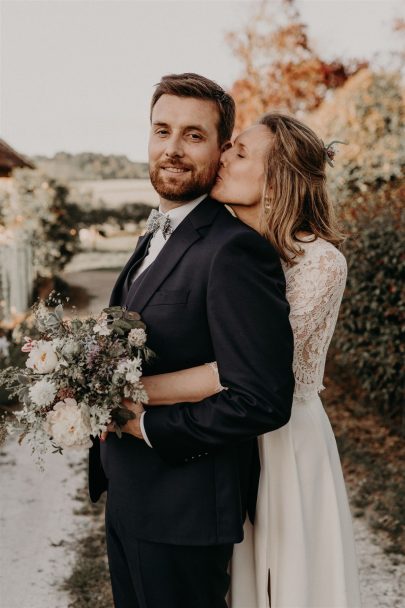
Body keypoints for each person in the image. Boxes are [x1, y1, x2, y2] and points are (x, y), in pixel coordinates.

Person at [119, 114, 362, 607]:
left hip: (285, 441)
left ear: (278, 177)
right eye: (227, 148)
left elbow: (238, 371)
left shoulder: (318, 262)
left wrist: (126, 397)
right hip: (230, 437)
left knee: (287, 582)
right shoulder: (235, 246)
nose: (223, 158)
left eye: (240, 153)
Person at [88, 73, 295, 608]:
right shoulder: (154, 237)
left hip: (184, 512)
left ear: (221, 149)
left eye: (193, 135)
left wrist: (149, 424)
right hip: (132, 498)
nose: (173, 149)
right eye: (162, 131)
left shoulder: (233, 252)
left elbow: (262, 398)